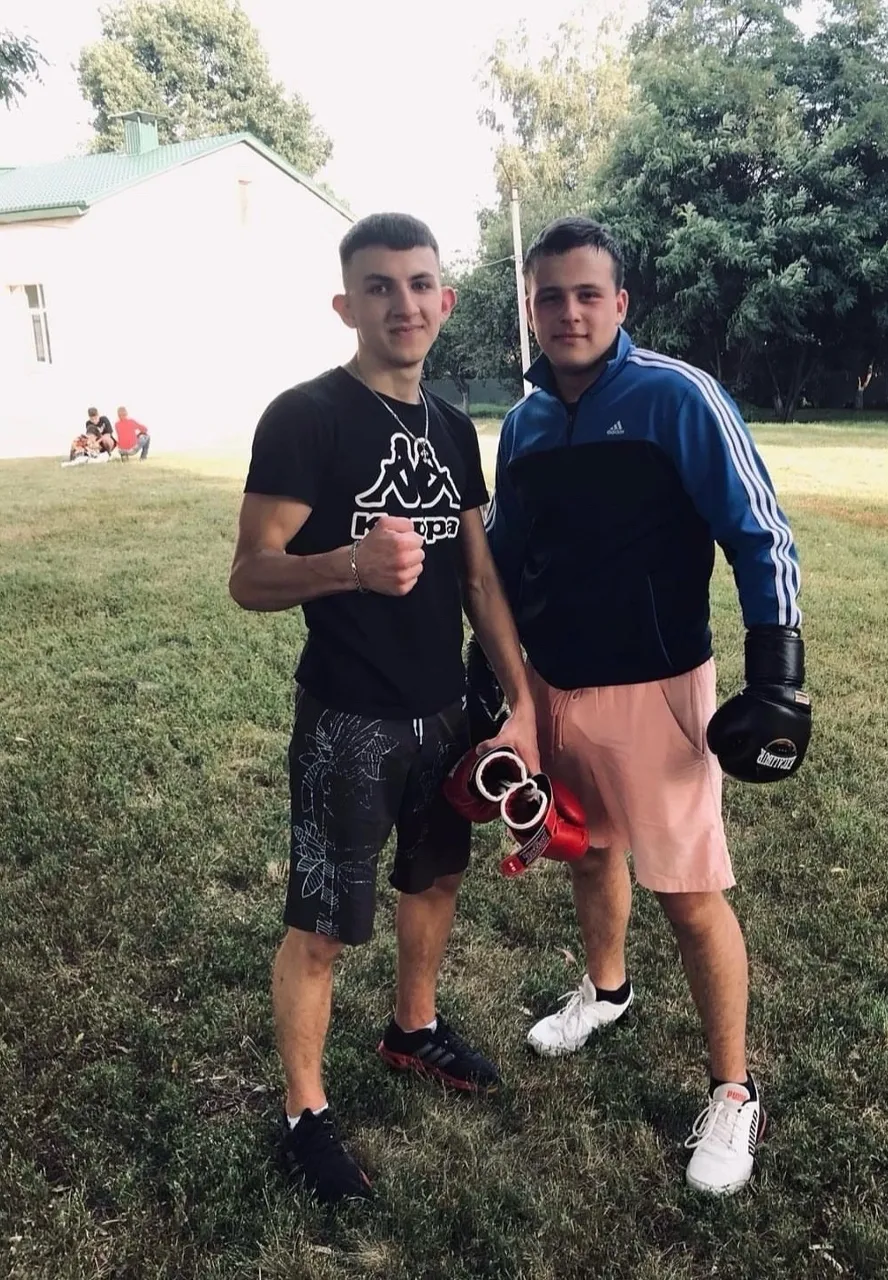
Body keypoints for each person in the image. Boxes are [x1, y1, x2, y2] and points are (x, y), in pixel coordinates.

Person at [482, 217, 810, 1196]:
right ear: (530, 309)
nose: (569, 311)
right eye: (550, 296)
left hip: (659, 687)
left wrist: (778, 675)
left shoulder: (677, 395)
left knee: (690, 891)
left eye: (588, 293)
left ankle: (734, 1091)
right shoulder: (527, 421)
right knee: (586, 846)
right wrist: (486, 671)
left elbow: (759, 533)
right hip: (553, 683)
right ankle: (607, 990)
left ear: (620, 303)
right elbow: (503, 557)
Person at [229, 212, 539, 1204]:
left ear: (445, 300)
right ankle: (304, 1111)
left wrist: (522, 703)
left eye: (419, 283)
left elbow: (481, 581)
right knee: (321, 925)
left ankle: (412, 1026)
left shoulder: (451, 424)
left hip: (445, 710)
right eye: (378, 285)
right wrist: (348, 564)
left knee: (436, 880)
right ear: (345, 303)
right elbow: (247, 576)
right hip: (349, 717)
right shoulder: (305, 416)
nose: (401, 303)